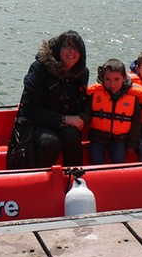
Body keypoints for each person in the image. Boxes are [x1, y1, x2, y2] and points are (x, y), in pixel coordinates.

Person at [9, 30, 90, 168]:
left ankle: (75, 180)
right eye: (67, 47)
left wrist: (82, 118)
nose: (72, 52)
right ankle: (35, 181)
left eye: (76, 48)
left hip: (63, 124)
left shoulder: (82, 73)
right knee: (51, 142)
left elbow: (84, 106)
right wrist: (64, 119)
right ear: (59, 49)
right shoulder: (39, 68)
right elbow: (29, 110)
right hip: (34, 123)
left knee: (72, 137)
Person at [85, 59, 142, 164]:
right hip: (97, 137)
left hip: (119, 139)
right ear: (102, 78)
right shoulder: (95, 93)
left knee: (118, 162)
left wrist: (132, 143)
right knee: (96, 161)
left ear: (124, 78)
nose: (112, 84)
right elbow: (87, 113)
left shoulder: (131, 97)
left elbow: (136, 122)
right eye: (108, 79)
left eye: (117, 79)